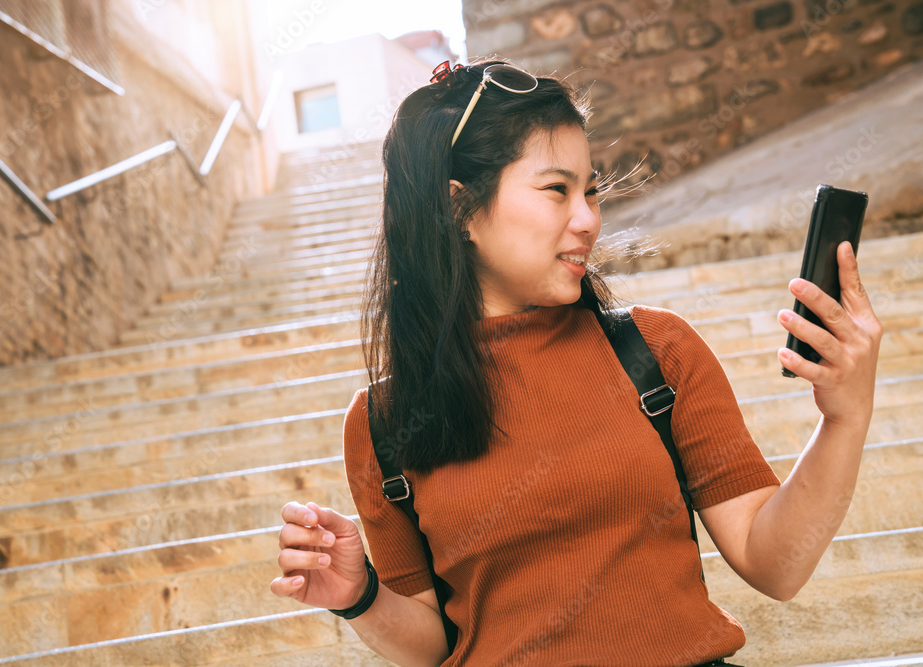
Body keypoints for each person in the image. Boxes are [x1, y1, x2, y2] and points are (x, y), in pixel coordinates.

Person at [269, 58, 883, 666]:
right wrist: (359, 596)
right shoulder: (382, 423)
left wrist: (845, 417)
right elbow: (434, 645)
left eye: (590, 189)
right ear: (459, 211)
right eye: (556, 189)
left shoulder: (657, 352)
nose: (588, 218)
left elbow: (773, 563)